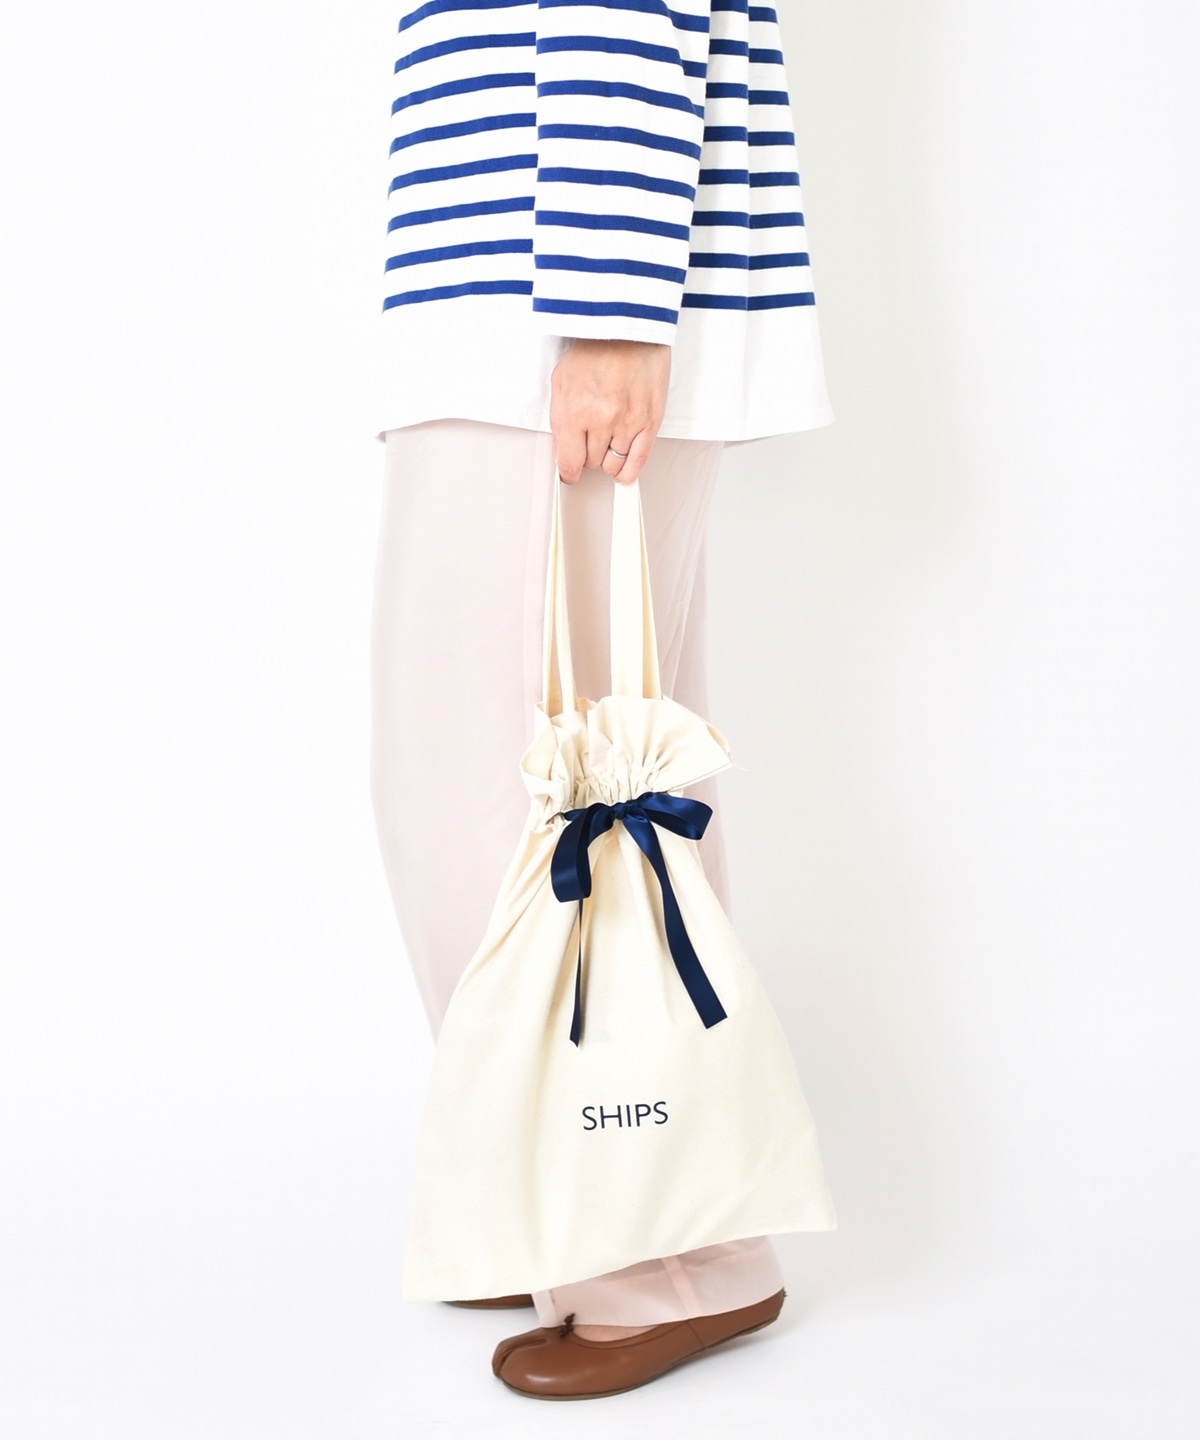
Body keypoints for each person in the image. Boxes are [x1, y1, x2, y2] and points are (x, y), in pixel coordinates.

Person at [369, 0, 833, 1400]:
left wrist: (612, 309)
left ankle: (671, 1258)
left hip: (550, 303)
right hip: (518, 293)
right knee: (573, 785)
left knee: (520, 798)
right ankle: (575, 1203)